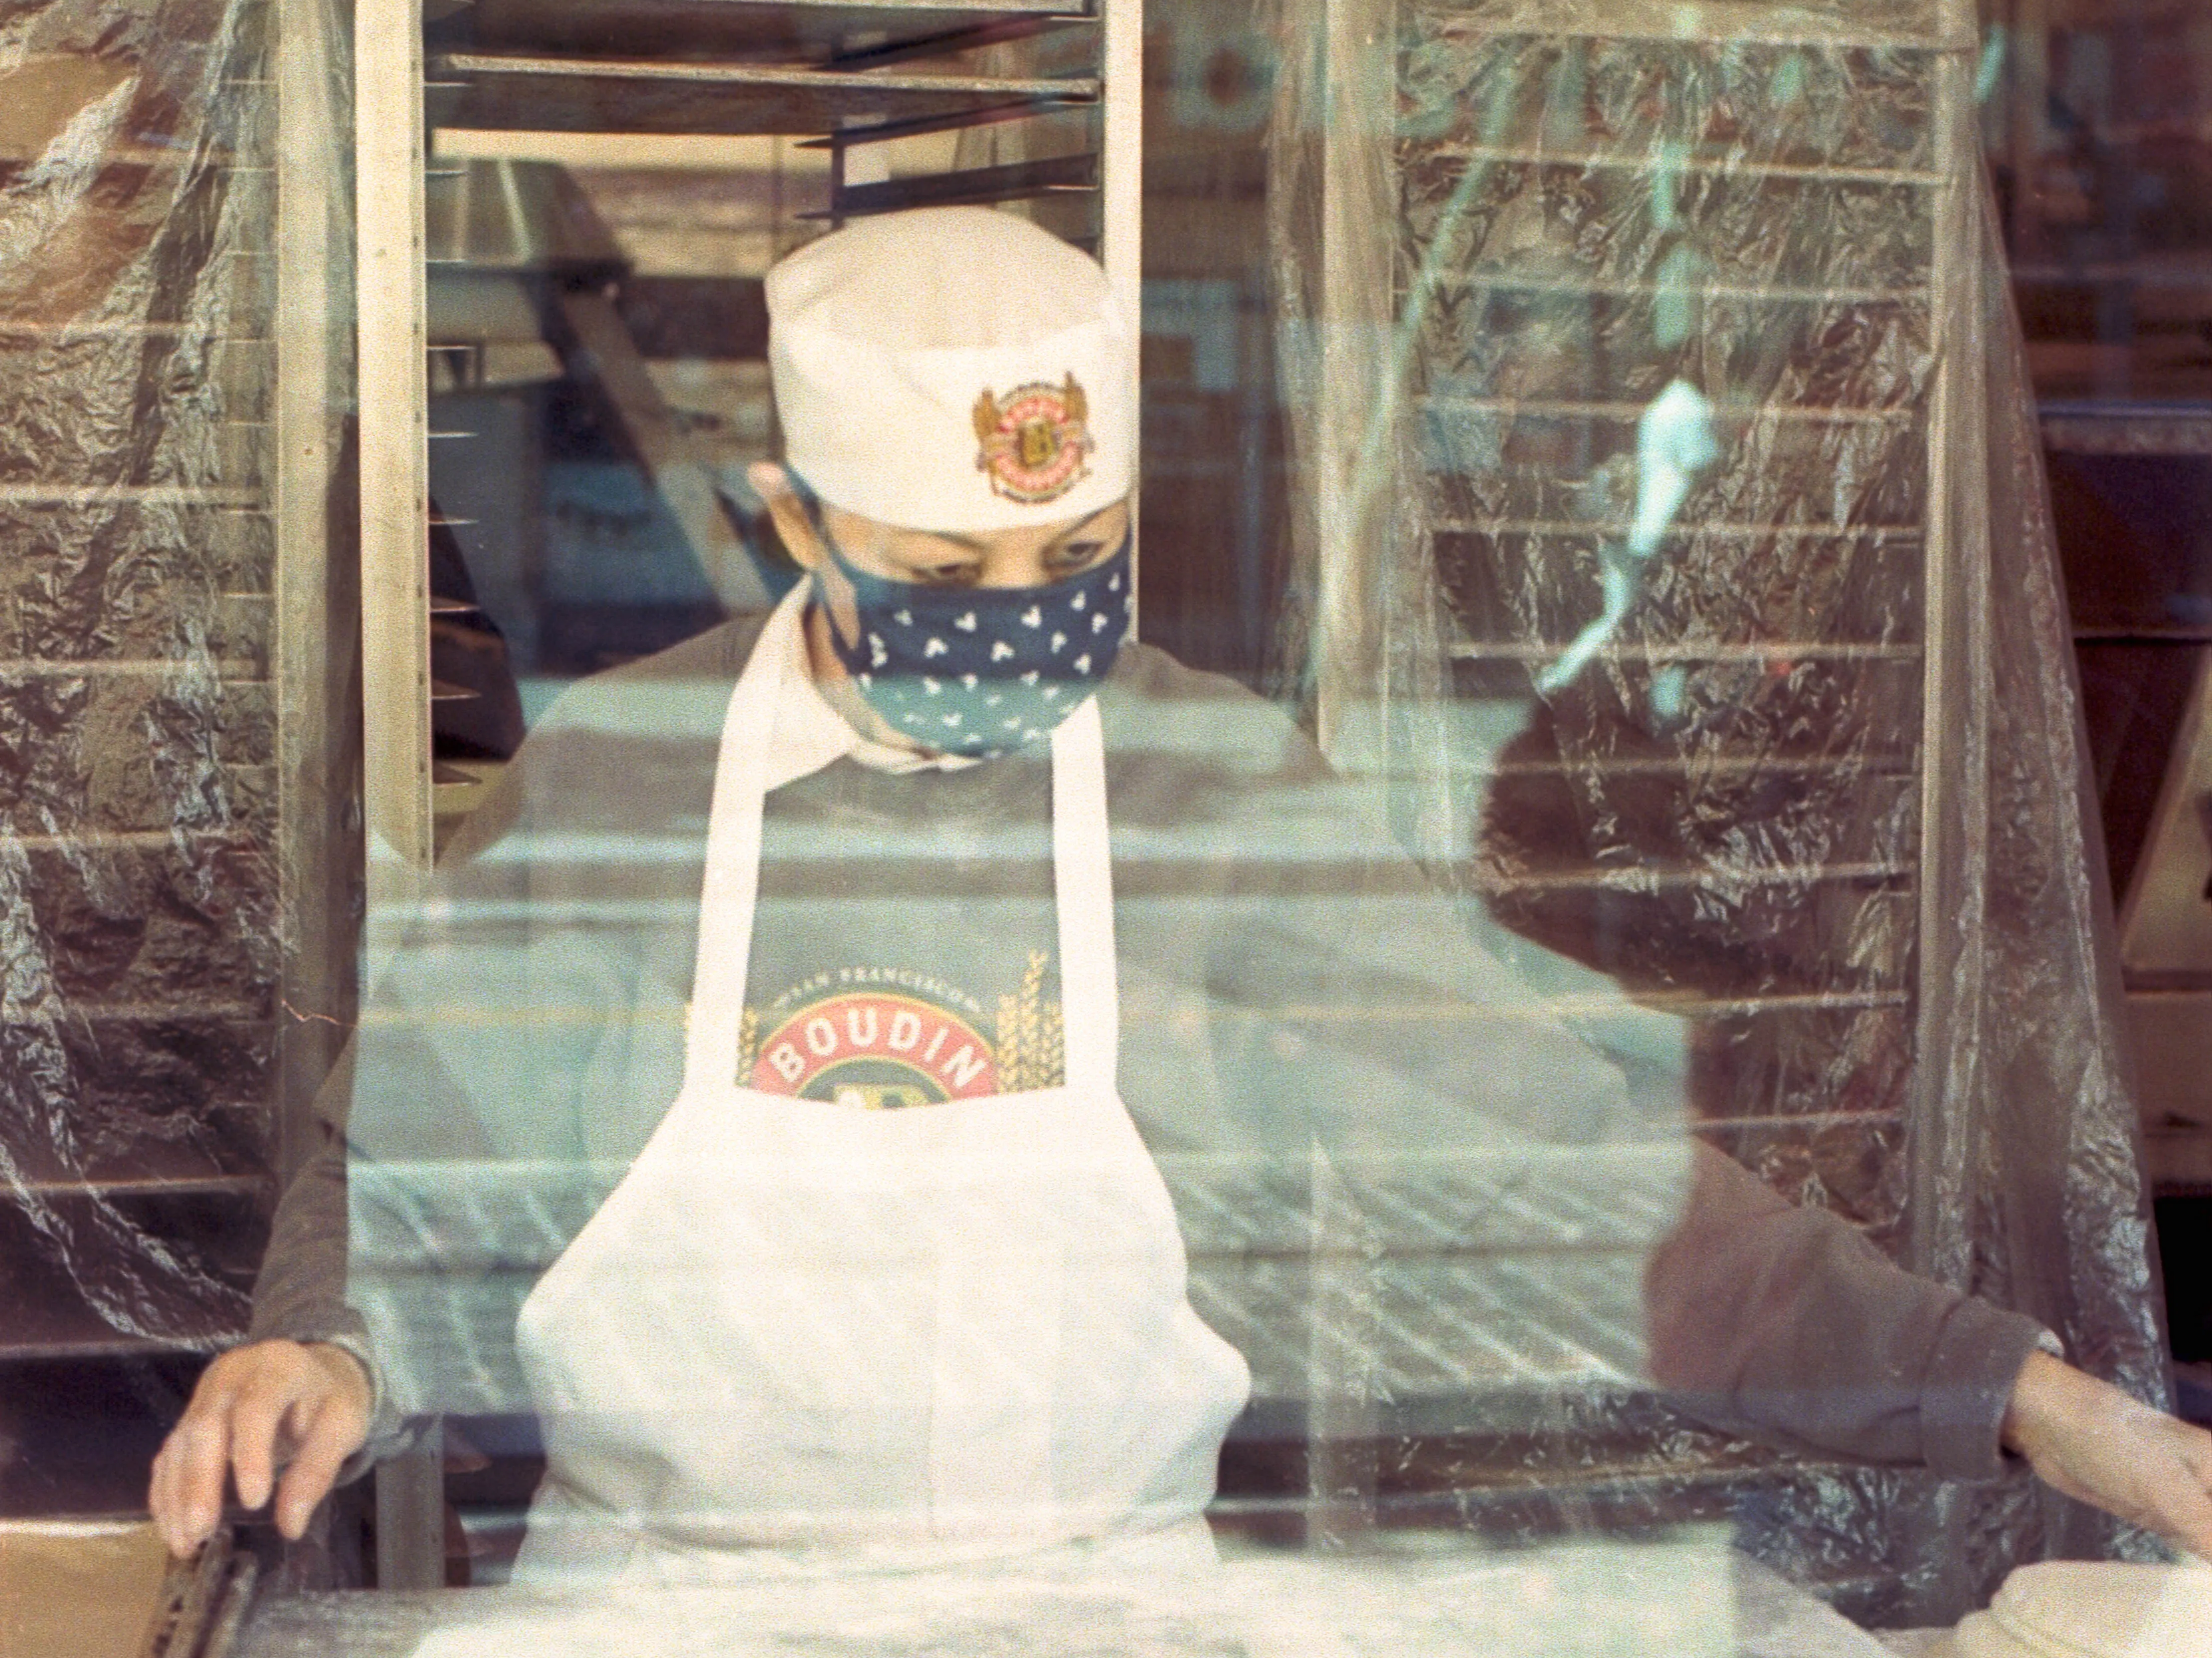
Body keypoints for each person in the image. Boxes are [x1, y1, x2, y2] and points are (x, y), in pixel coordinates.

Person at [151, 210, 2212, 1571]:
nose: (1022, 631)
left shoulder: (1205, 792)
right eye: (946, 582)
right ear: (787, 518)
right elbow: (412, 1176)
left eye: (1075, 572)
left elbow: (1569, 1177)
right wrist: (322, 1346)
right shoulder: (616, 778)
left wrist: (2023, 1399)